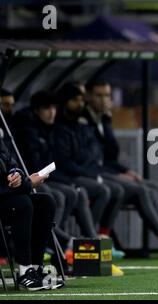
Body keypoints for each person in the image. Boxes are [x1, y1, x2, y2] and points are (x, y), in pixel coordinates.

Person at [0, 105, 63, 291]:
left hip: (5, 200)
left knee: (45, 202)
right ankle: (24, 273)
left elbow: (12, 163)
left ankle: (35, 269)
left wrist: (15, 174)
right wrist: (26, 184)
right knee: (23, 203)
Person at [83, 80, 158, 247]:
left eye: (107, 96)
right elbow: (91, 160)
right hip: (94, 174)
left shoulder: (103, 119)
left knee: (155, 187)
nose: (103, 100)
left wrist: (125, 171)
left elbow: (110, 155)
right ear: (88, 96)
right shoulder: (84, 120)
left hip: (107, 171)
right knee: (139, 190)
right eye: (99, 95)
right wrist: (117, 174)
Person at [12, 90, 100, 247]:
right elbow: (34, 164)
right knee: (58, 195)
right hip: (30, 178)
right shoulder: (28, 131)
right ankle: (52, 241)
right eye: (47, 108)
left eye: (54, 108)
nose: (52, 112)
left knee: (74, 192)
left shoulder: (50, 130)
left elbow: (53, 163)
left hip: (47, 177)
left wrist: (68, 181)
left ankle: (80, 238)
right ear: (37, 110)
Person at [53, 83, 124, 238]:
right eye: (75, 100)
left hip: (85, 172)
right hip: (67, 176)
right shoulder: (60, 127)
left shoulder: (81, 124)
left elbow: (108, 152)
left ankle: (92, 237)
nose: (80, 104)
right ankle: (81, 239)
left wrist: (106, 122)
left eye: (81, 100)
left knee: (117, 189)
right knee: (101, 190)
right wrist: (91, 174)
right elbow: (65, 162)